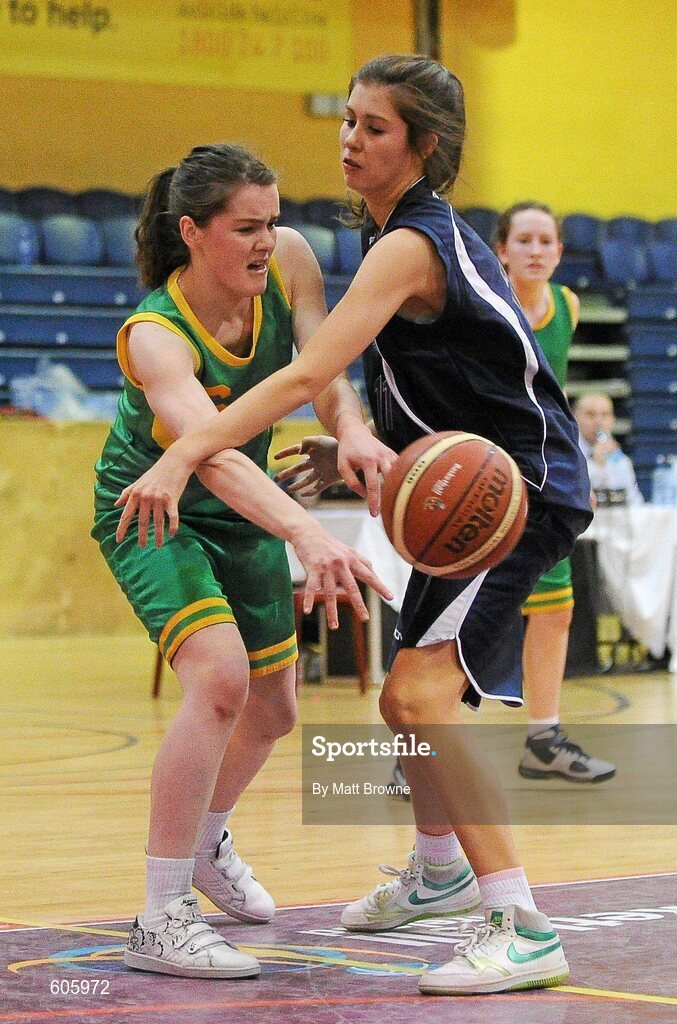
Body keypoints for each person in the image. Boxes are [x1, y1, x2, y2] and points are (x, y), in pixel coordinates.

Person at [113, 56, 593, 996]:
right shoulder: (386, 235)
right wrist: (363, 444)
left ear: (425, 145)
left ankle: (520, 923)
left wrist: (177, 454)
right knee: (402, 702)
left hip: (517, 487)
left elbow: (304, 375)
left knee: (419, 700)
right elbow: (432, 369)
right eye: (350, 121)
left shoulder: (409, 243)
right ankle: (440, 872)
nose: (351, 140)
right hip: (477, 469)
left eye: (376, 127)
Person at [92, 143, 394, 979]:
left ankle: (202, 839)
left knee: (274, 711)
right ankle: (159, 917)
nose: (269, 240)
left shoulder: (291, 260)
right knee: (220, 681)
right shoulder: (156, 334)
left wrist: (354, 428)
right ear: (192, 232)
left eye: (273, 220)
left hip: (242, 512)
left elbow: (324, 367)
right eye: (246, 228)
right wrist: (307, 532)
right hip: (153, 511)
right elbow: (213, 454)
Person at [495, 203, 615, 783]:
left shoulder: (566, 304)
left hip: (545, 477)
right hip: (487, 475)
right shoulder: (486, 301)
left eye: (546, 241)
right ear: (502, 250)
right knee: (465, 615)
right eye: (524, 240)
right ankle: (415, 751)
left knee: (554, 609)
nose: (536, 250)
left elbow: (559, 402)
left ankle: (543, 740)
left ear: (560, 253)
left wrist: (577, 475)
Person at [574, 392, 644, 505]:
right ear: (575, 418)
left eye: (605, 415)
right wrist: (597, 464)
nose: (598, 422)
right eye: (591, 415)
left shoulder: (621, 460)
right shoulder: (568, 454)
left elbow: (635, 502)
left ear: (613, 420)